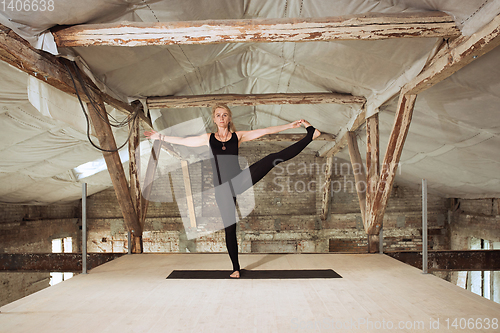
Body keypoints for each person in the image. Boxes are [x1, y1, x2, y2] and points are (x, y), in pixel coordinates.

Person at [144, 104, 320, 278]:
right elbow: (184, 141)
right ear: (214, 119)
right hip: (222, 189)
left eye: (225, 115)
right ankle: (235, 268)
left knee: (273, 158)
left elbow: (265, 131)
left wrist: (289, 126)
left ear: (229, 118)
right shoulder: (208, 138)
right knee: (230, 228)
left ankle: (310, 135)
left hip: (238, 181)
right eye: (218, 115)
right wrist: (160, 136)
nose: (221, 118)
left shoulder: (238, 136)